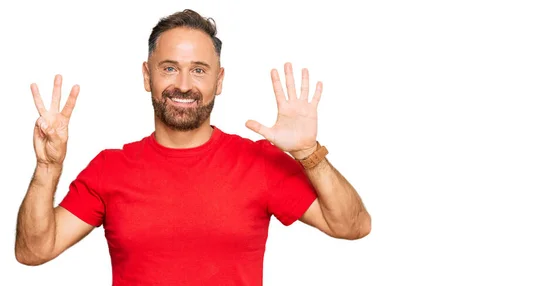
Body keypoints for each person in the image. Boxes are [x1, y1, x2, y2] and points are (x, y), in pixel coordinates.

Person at [14, 8, 371, 285]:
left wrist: (309, 153)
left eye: (199, 70)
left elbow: (352, 226)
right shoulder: (110, 168)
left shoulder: (259, 161)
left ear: (219, 80)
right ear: (146, 75)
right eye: (169, 68)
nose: (183, 85)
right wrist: (48, 168)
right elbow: (33, 251)